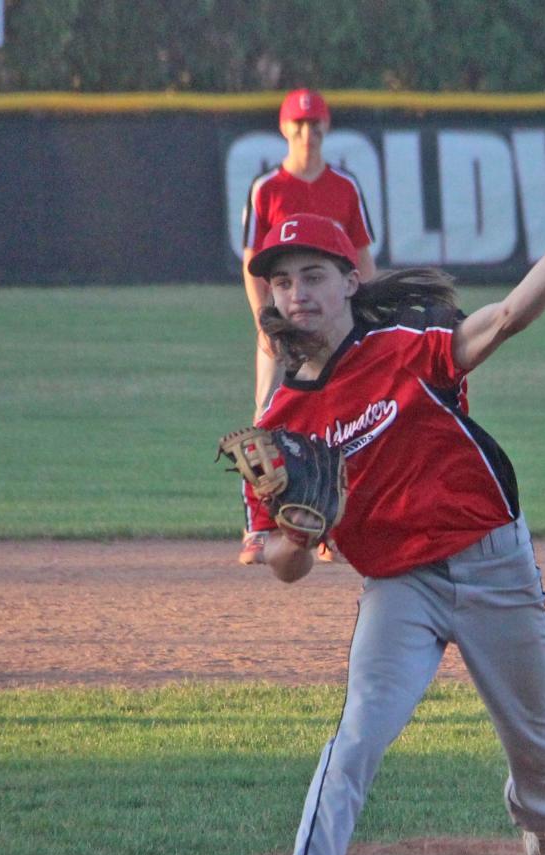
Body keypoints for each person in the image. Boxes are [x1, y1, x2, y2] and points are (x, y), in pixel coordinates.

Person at [244, 163, 545, 855]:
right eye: (282, 282)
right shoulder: (278, 428)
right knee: (354, 741)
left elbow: (507, 320)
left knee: (540, 761)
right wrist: (297, 530)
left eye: (313, 275)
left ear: (352, 281)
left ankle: (543, 818)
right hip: (399, 591)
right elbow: (283, 564)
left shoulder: (403, 349)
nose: (297, 294)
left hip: (494, 565)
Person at [239, 87, 375, 565]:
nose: (307, 132)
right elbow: (253, 262)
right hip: (280, 321)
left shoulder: (345, 188)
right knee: (265, 417)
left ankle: (332, 526)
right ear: (284, 129)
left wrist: (367, 315)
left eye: (315, 123)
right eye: (298, 124)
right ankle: (257, 529)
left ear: (326, 128)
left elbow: (361, 258)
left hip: (336, 321)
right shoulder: (268, 189)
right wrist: (265, 321)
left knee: (350, 412)